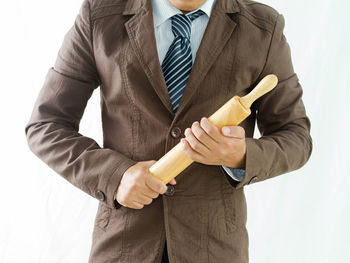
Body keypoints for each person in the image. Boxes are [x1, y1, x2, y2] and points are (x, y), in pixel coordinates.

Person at [24, 0, 312, 262]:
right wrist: (114, 176)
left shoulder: (262, 27)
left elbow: (296, 136)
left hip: (215, 249)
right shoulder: (99, 16)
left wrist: (240, 155)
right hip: (123, 247)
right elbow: (46, 125)